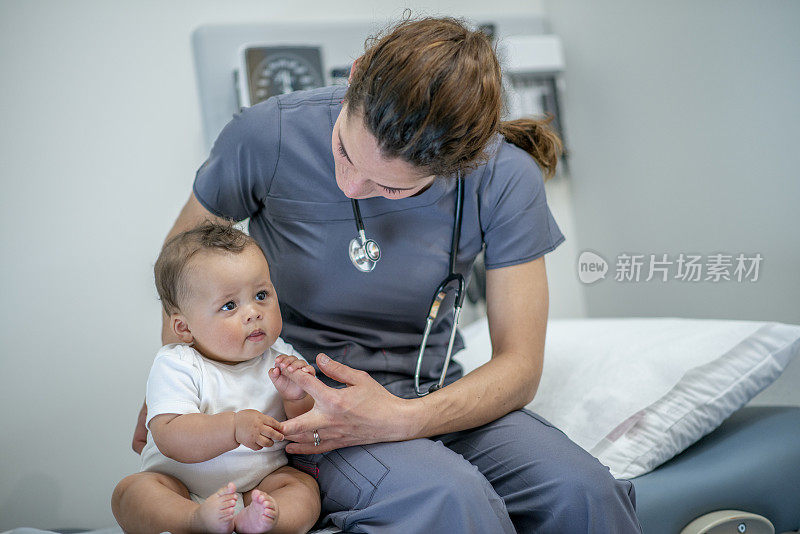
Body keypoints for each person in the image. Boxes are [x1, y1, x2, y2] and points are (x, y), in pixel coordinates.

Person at [113, 15, 642, 533]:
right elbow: (181, 271)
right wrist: (181, 387)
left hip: (434, 395)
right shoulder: (265, 136)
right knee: (449, 498)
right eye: (344, 149)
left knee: (585, 492)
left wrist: (402, 418)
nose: (350, 184)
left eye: (390, 187)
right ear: (357, 71)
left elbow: (520, 366)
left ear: (463, 162)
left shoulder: (505, 177)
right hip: (304, 405)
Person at [120, 222, 321, 534]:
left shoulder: (282, 356)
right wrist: (234, 427)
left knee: (303, 488)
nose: (254, 312)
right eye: (230, 305)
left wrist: (298, 398)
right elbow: (171, 436)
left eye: (262, 294)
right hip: (180, 486)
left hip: (260, 483)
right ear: (184, 328)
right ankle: (194, 520)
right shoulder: (177, 364)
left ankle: (267, 521)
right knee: (132, 493)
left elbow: (308, 429)